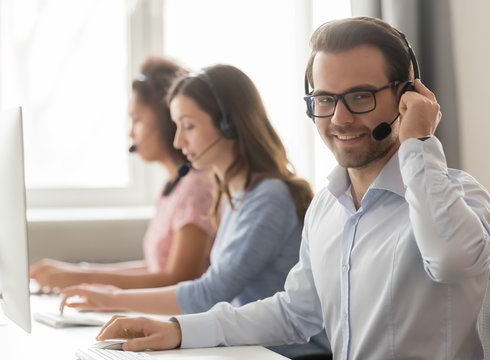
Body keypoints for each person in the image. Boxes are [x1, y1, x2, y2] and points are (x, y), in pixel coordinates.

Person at [88, 17, 490, 359]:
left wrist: (419, 143)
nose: (339, 118)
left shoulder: (458, 195)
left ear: (406, 99)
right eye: (324, 99)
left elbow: (449, 261)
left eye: (360, 96)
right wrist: (179, 330)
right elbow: (294, 312)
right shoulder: (327, 209)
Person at [58, 64, 330, 357]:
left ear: (229, 124)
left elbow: (210, 292)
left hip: (284, 353)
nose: (178, 141)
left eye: (188, 126)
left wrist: (114, 298)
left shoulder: (269, 197)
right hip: (244, 347)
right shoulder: (233, 195)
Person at [30, 56, 216, 292]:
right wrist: (78, 273)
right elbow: (155, 268)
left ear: (165, 119)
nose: (131, 133)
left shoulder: (196, 188)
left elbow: (178, 281)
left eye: (137, 120)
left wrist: (83, 279)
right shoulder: (174, 186)